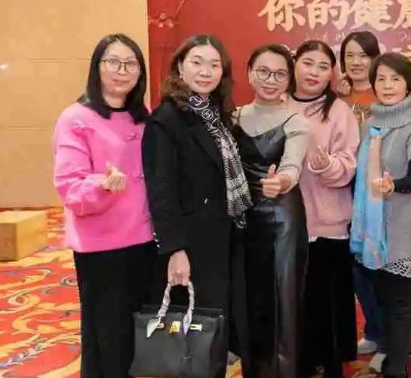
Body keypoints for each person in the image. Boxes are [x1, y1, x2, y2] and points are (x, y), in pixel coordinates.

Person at [143, 34, 250, 378]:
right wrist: (175, 250)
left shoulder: (217, 115)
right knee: (197, 334)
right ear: (180, 67)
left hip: (222, 236)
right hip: (193, 244)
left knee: (213, 330)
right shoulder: (167, 118)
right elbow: (161, 190)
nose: (206, 71)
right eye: (197, 62)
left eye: (214, 65)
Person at [53, 33, 154, 378]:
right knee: (107, 338)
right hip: (102, 246)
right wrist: (103, 184)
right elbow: (69, 186)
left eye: (130, 64)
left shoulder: (144, 116)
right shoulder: (75, 118)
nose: (122, 71)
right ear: (97, 67)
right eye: (113, 62)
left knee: (139, 335)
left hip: (145, 240)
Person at [350, 53, 411, 378]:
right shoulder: (367, 125)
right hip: (370, 229)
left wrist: (392, 185)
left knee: (399, 302)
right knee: (379, 297)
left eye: (395, 79)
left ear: (408, 85)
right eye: (381, 79)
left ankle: (397, 369)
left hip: (401, 226)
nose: (387, 86)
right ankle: (387, 350)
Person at [232, 43, 310, 378]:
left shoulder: (296, 121)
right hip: (242, 219)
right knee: (249, 298)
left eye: (279, 74)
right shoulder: (232, 117)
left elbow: (293, 165)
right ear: (249, 73)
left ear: (289, 80)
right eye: (263, 71)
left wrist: (283, 181)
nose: (270, 79)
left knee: (282, 299)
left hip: (281, 219)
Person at [289, 40, 359, 378]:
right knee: (295, 303)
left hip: (329, 224)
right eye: (308, 63)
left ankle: (331, 365)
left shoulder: (340, 111)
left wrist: (327, 164)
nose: (314, 72)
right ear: (294, 64)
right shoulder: (278, 105)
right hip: (286, 224)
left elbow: (349, 165)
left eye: (322, 67)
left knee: (328, 305)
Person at [338, 30, 385, 366]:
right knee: (354, 265)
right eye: (349, 56)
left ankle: (391, 336)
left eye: (363, 55)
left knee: (377, 262)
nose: (356, 62)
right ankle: (373, 329)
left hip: (375, 189)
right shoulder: (336, 98)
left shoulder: (385, 94)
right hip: (342, 187)